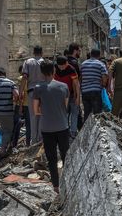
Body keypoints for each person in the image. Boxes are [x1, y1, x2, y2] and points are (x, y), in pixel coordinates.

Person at [32, 59, 70, 193]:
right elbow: (65, 106)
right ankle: (69, 183)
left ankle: (56, 186)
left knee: (51, 158)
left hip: (47, 128)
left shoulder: (37, 88)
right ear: (54, 71)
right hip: (62, 126)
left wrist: (45, 111)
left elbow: (35, 110)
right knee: (66, 155)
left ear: (42, 73)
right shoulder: (64, 86)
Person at [21, 46, 45, 144]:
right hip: (43, 91)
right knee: (42, 115)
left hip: (31, 91)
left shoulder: (28, 62)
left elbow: (24, 77)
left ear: (33, 52)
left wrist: (21, 91)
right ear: (42, 52)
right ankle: (40, 138)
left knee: (33, 115)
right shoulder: (45, 63)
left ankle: (34, 139)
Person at [53, 56, 80, 138]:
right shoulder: (54, 69)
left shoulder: (71, 69)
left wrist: (78, 97)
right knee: (64, 114)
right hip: (59, 96)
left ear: (67, 63)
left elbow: (76, 84)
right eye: (60, 66)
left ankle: (73, 131)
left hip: (72, 94)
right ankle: (64, 131)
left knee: (74, 113)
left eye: (63, 66)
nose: (61, 68)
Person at [80, 48, 108, 122]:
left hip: (85, 91)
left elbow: (81, 78)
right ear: (99, 56)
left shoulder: (83, 64)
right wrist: (102, 85)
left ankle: (86, 131)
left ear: (91, 54)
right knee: (97, 114)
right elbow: (104, 78)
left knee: (87, 113)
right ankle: (96, 132)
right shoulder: (101, 64)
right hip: (95, 91)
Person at [12, 65, 32, 147]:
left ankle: (14, 144)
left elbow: (22, 94)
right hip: (29, 105)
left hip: (21, 104)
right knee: (29, 126)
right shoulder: (32, 79)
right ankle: (28, 144)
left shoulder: (20, 78)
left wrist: (20, 106)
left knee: (16, 124)